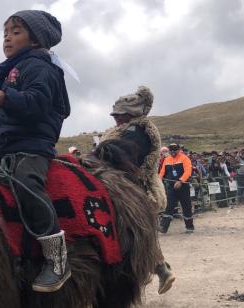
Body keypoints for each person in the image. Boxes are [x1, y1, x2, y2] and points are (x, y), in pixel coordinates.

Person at [0, 10, 71, 292]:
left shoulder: (42, 67)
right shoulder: (7, 71)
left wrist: (8, 98)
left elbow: (39, 103)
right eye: (5, 33)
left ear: (35, 40)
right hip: (1, 149)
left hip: (32, 146)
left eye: (16, 32)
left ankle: (57, 259)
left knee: (28, 185)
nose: (7, 38)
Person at [100, 86, 174, 294]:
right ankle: (157, 269)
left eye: (119, 115)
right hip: (120, 183)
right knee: (137, 231)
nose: (115, 119)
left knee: (133, 230)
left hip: (133, 186)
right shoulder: (126, 131)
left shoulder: (137, 133)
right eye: (114, 115)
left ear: (130, 114)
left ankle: (152, 270)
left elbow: (121, 157)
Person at [159, 143, 194, 233]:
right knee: (169, 206)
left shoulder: (184, 158)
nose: (173, 151)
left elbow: (188, 171)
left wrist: (181, 180)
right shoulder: (166, 159)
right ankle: (163, 227)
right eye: (171, 149)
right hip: (171, 187)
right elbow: (162, 172)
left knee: (186, 206)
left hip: (183, 186)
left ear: (178, 149)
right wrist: (158, 180)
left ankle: (189, 227)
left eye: (175, 149)